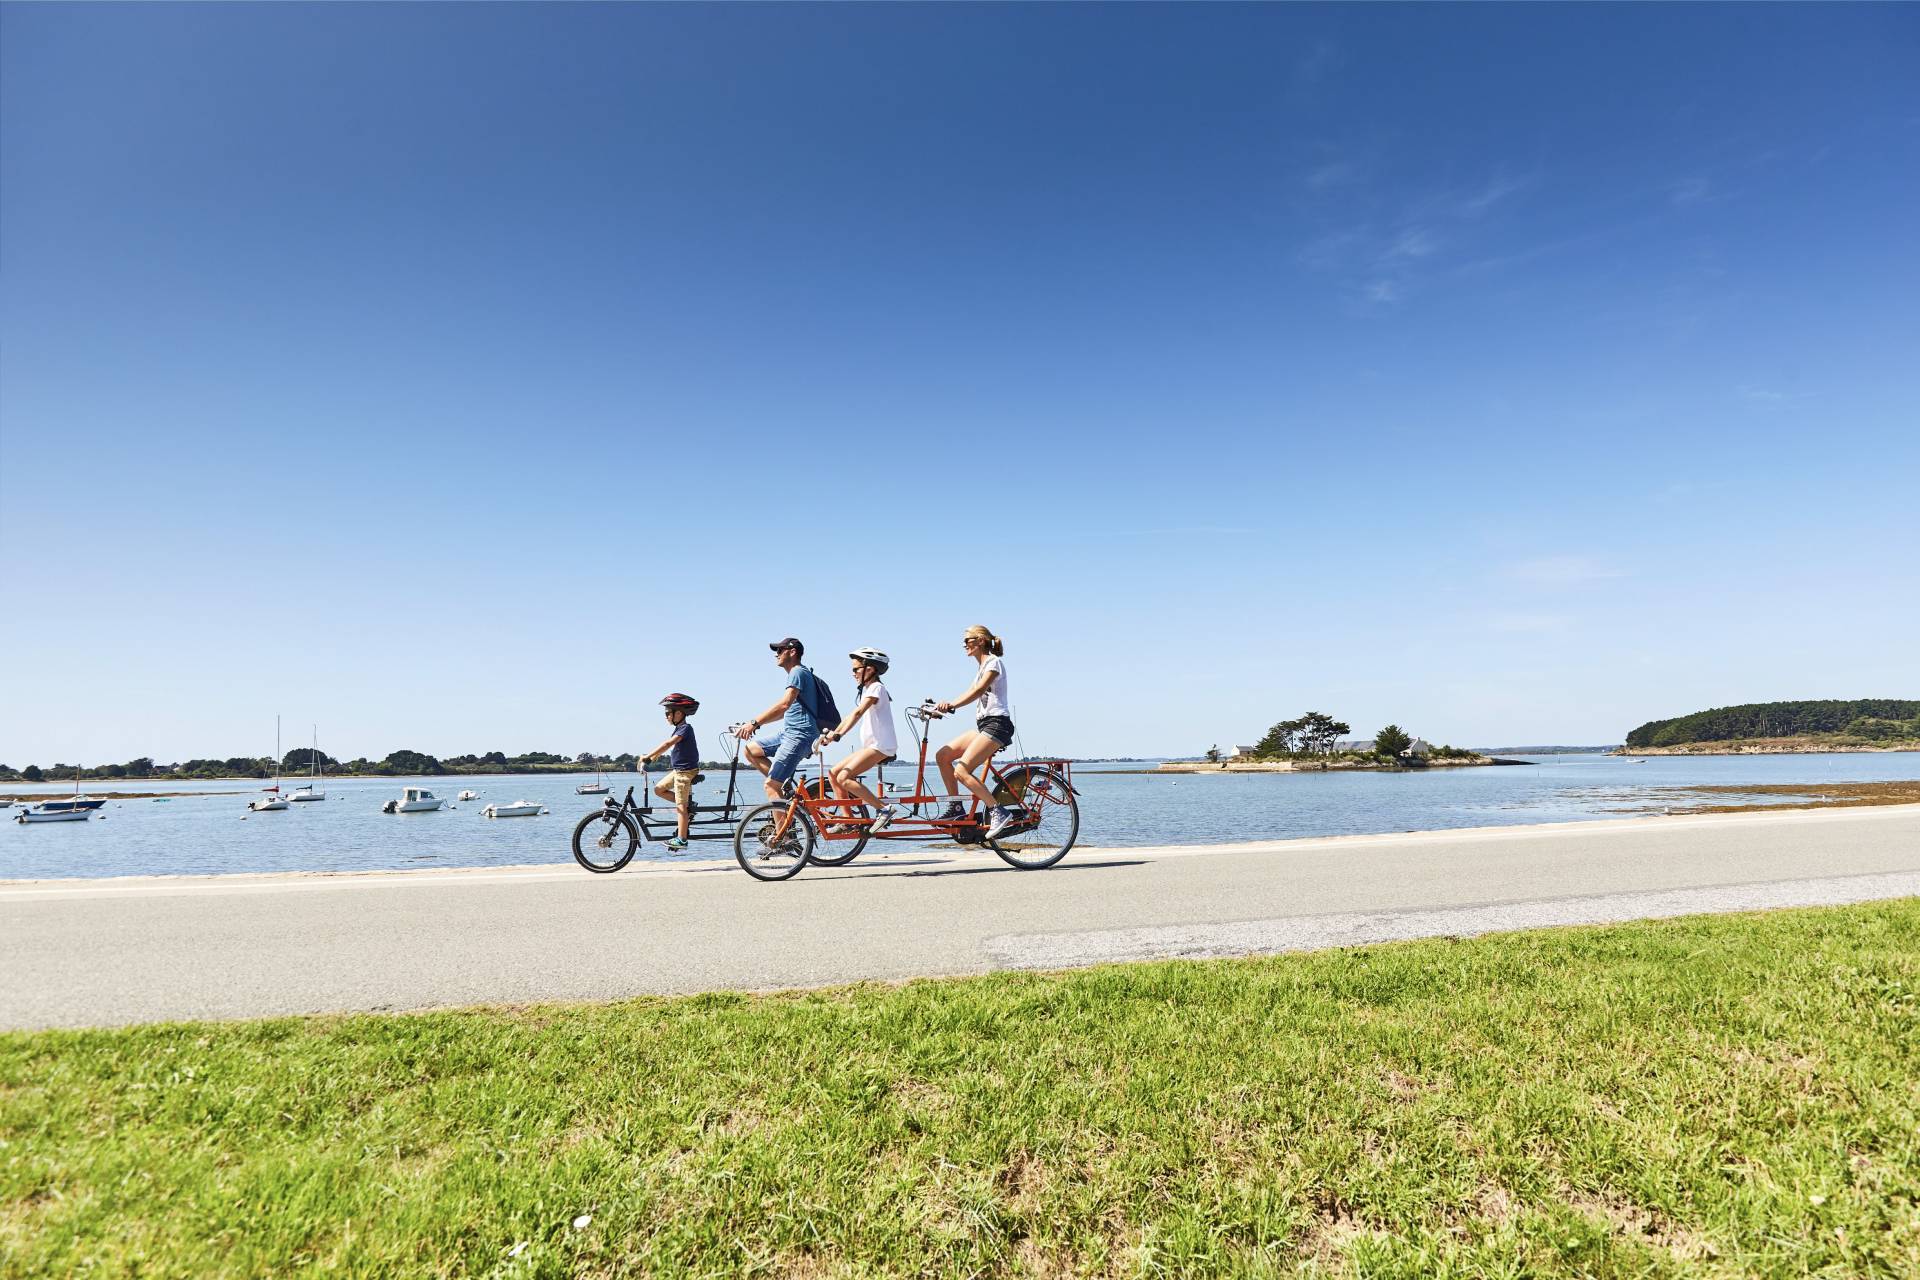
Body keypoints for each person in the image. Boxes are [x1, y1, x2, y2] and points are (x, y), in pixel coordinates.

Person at [933, 624, 1021, 839]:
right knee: (943, 756)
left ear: (980, 641)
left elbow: (978, 690)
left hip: (998, 724)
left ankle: (998, 811)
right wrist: (937, 708)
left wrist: (952, 704)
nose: (964, 645)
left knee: (961, 771)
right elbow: (972, 690)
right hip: (984, 725)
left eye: (967, 640)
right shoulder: (981, 668)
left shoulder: (994, 663)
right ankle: (956, 808)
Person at [818, 647, 902, 833]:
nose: (853, 673)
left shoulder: (876, 688)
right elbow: (850, 716)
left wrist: (838, 735)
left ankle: (884, 809)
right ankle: (848, 819)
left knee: (844, 777)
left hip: (881, 746)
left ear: (870, 669)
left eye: (856, 669)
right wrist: (833, 734)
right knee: (833, 773)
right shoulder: (867, 689)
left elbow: (858, 713)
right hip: (871, 746)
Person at [735, 637, 824, 802]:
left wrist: (754, 723)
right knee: (750, 750)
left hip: (799, 735)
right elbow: (783, 712)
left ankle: (782, 827)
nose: (776, 655)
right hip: (789, 733)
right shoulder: (799, 673)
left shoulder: (797, 672)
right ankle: (784, 785)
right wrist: (755, 726)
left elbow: (784, 704)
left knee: (770, 786)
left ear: (792, 652)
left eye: (780, 650)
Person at [640, 693, 701, 850]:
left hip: (685, 773)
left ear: (679, 713)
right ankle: (689, 806)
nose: (666, 716)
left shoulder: (685, 728)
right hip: (678, 771)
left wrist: (649, 757)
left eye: (668, 713)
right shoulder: (680, 728)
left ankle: (682, 839)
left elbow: (667, 744)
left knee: (680, 807)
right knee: (659, 789)